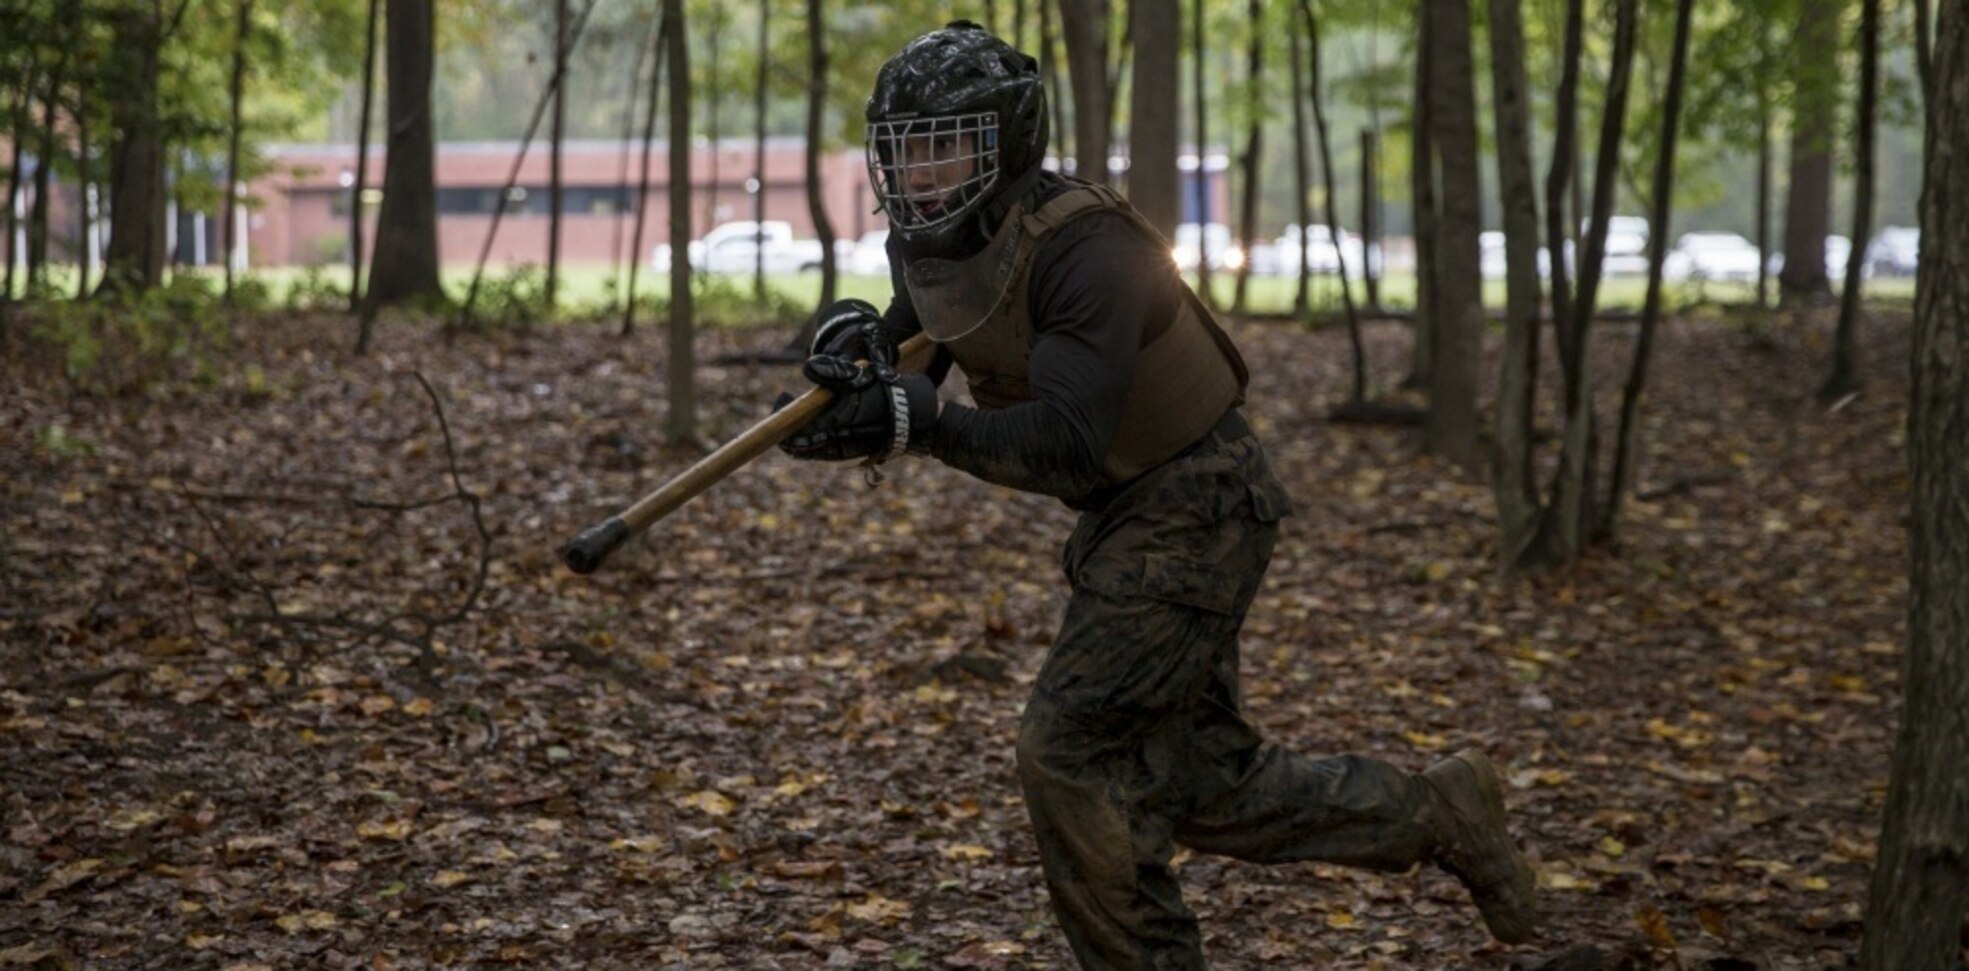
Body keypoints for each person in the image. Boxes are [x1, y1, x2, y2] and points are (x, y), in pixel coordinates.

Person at [778, 21, 1538, 969]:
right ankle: (1436, 811)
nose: (922, 174)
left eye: (946, 147)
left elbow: (1060, 444)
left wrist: (917, 424)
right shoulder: (934, 245)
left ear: (1006, 147)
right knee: (1202, 785)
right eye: (906, 152)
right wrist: (850, 364)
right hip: (1131, 516)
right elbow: (913, 344)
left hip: (1198, 505)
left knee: (1067, 753)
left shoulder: (1089, 251)